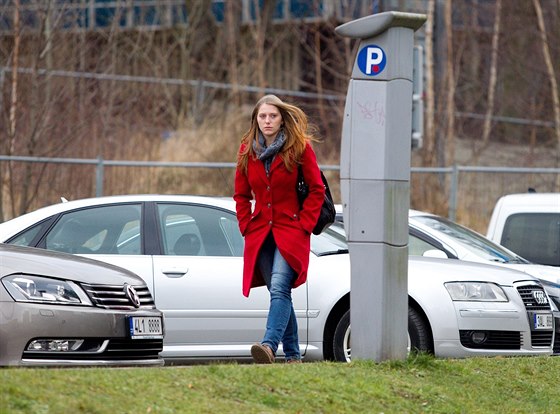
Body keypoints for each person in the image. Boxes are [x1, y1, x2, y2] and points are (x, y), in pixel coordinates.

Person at [234, 94, 325, 364]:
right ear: (256, 120)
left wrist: (304, 225)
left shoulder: (299, 147)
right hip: (260, 233)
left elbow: (317, 189)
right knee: (280, 292)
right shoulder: (246, 150)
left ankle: (269, 345)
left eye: (273, 116)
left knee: (279, 286)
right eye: (262, 116)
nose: (267, 121)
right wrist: (245, 224)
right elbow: (241, 195)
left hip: (291, 231)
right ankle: (294, 356)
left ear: (282, 118)